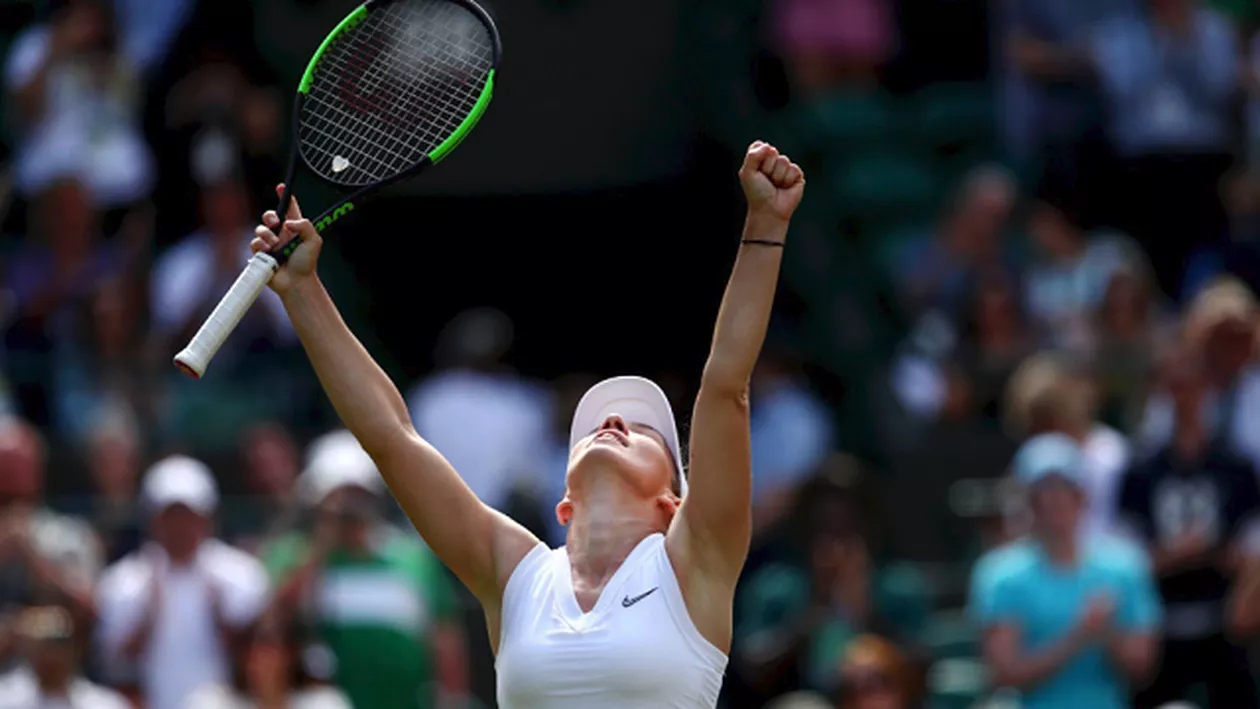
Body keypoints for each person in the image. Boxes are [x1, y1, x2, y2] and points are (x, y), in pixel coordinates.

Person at [248, 140, 805, 707]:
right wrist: (303, 291)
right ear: (563, 501)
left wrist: (765, 224)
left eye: (643, 430)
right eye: (594, 426)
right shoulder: (519, 575)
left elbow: (725, 385)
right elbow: (392, 437)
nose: (613, 419)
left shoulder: (696, 561)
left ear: (674, 502)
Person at [969, 433, 1161, 709]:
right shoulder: (1000, 574)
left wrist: (1106, 632)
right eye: (1042, 492)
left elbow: (1142, 666)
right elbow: (1005, 673)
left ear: (1082, 496)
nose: (1053, 501)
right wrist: (1080, 635)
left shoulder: (1125, 566)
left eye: (1064, 489)